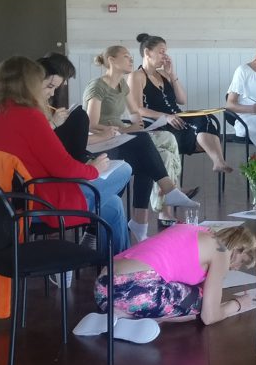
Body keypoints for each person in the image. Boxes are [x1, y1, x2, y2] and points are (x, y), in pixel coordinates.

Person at [0, 56, 134, 251]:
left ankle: (118, 264)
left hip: (7, 201)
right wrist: (93, 169)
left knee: (113, 205)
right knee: (124, 169)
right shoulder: (29, 116)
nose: (50, 93)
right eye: (44, 85)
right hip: (40, 201)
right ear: (29, 84)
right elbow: (64, 168)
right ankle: (120, 265)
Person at [73, 224, 256, 343]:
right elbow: (209, 316)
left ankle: (117, 317)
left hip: (103, 290)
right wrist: (236, 305)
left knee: (190, 296)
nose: (236, 268)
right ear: (238, 249)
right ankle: (131, 318)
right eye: (242, 262)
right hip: (136, 291)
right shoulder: (221, 251)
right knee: (200, 303)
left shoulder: (196, 230)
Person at [84, 45, 198, 228]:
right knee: (147, 148)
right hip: (102, 141)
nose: (131, 59)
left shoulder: (122, 85)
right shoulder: (98, 86)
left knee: (156, 151)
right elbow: (91, 124)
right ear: (111, 60)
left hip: (120, 136)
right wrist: (126, 130)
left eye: (130, 56)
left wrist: (139, 125)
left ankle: (141, 220)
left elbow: (134, 112)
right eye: (126, 56)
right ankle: (169, 191)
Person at [129, 33, 233, 174]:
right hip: (158, 123)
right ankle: (217, 160)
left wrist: (172, 74)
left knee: (205, 117)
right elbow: (137, 109)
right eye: (161, 52)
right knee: (199, 129)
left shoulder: (163, 74)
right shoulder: (137, 76)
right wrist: (166, 117)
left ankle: (218, 162)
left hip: (178, 117)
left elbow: (182, 100)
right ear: (147, 52)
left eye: (166, 52)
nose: (165, 56)